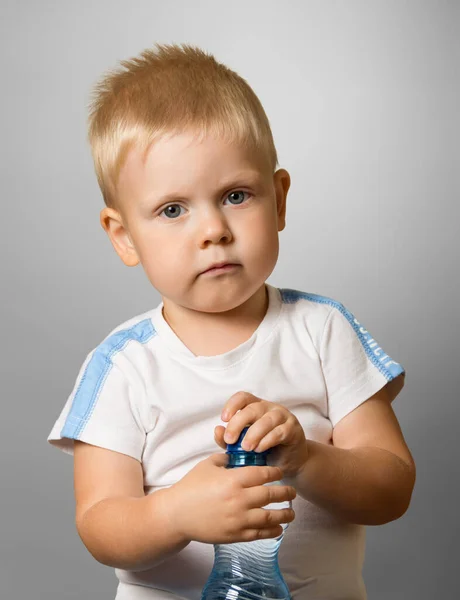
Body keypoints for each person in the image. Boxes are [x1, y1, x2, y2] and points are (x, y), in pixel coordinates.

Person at [47, 42, 416, 600]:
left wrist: (306, 458)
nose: (213, 229)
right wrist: (175, 513)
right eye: (173, 209)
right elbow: (100, 524)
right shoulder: (123, 364)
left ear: (280, 199)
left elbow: (391, 487)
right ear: (124, 236)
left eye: (236, 195)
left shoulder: (323, 331)